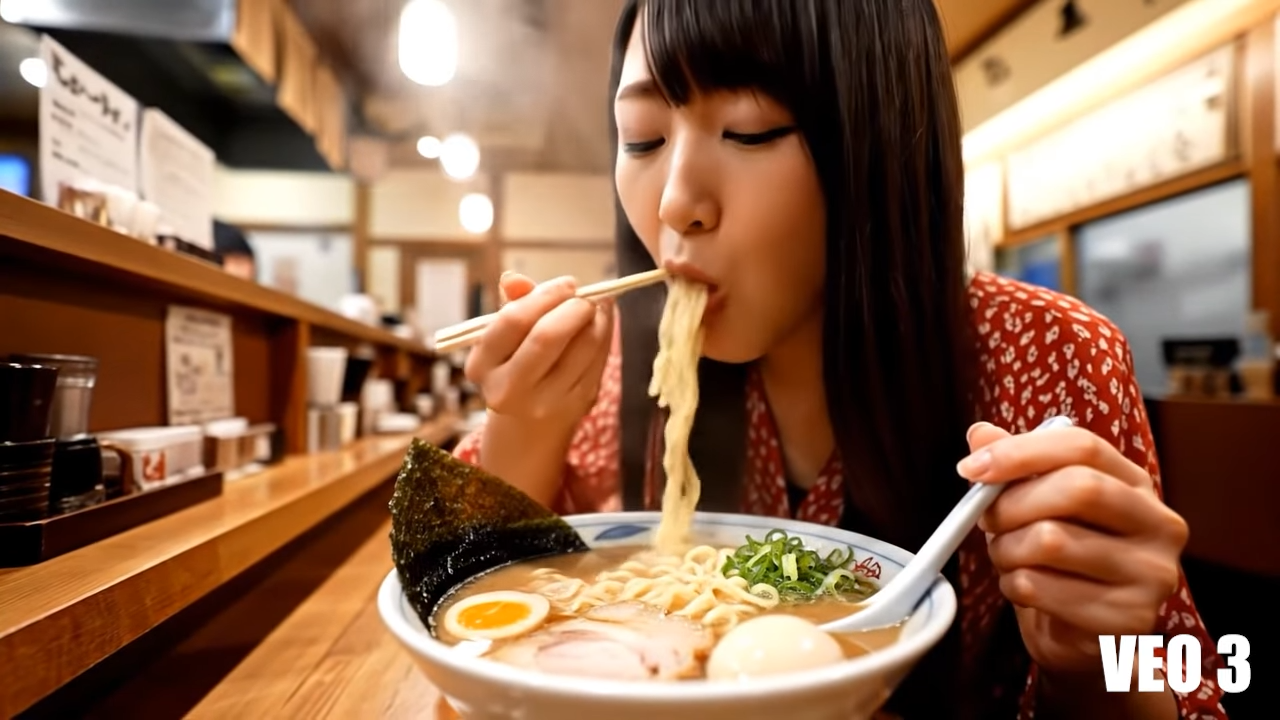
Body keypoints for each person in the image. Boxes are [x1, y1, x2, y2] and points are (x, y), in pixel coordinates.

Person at [452, 1, 1226, 718]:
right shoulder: (618, 365)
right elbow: (464, 612)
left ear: (873, 142)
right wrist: (524, 426)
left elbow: (1177, 685)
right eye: (643, 139)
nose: (674, 202)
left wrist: (1093, 662)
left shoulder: (1049, 353)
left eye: (749, 131)